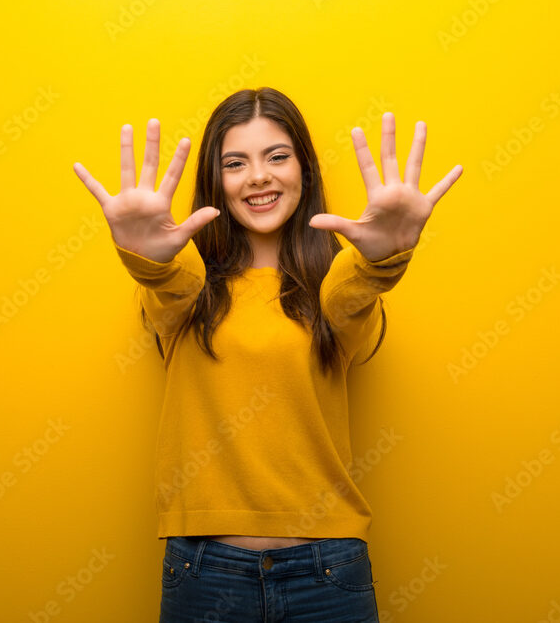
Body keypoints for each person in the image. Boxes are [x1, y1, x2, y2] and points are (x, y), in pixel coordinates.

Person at [73, 87, 462, 622]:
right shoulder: (188, 290)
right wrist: (145, 254)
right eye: (236, 163)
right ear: (217, 181)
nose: (258, 176)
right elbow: (171, 280)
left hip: (327, 572)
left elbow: (354, 289)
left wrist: (383, 255)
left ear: (304, 168)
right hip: (203, 572)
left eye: (277, 156)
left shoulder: (332, 287)